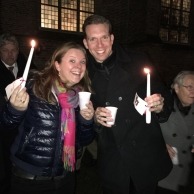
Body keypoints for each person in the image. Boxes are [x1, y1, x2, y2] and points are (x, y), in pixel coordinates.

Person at [82, 14, 173, 194]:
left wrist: (160, 105)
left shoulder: (138, 60)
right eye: (93, 39)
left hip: (144, 154)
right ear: (86, 43)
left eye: (104, 38)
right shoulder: (83, 73)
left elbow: (165, 98)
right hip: (113, 158)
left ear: (112, 38)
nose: (99, 45)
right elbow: (83, 120)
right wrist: (94, 118)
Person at [5, 41, 94, 194]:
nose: (78, 66)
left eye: (82, 62)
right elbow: (5, 125)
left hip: (65, 177)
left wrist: (87, 120)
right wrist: (15, 110)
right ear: (57, 65)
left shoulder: (81, 97)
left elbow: (85, 140)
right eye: (72, 60)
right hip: (29, 180)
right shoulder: (33, 86)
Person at [0, 32, 36, 193]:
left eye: (13, 50)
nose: (10, 54)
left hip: (25, 125)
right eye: (5, 50)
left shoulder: (27, 65)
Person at [157, 71, 194, 194]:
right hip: (163, 172)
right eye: (189, 87)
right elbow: (142, 133)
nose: (193, 91)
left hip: (188, 174)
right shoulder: (161, 107)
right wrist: (159, 146)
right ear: (176, 88)